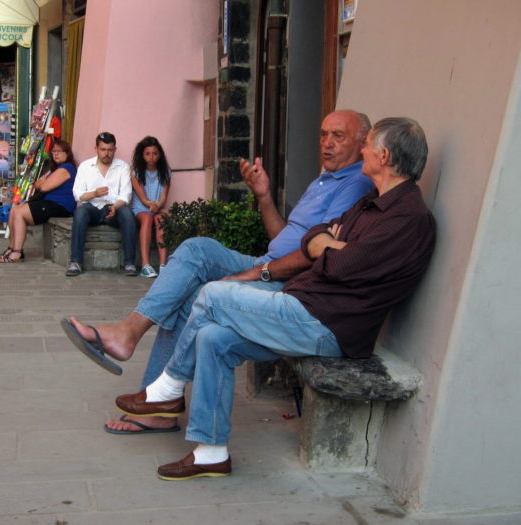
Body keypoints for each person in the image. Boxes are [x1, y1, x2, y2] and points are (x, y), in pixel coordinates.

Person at [111, 116, 437, 480]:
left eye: (366, 144)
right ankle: (210, 451)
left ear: (384, 154)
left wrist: (328, 247)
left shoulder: (407, 218)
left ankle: (167, 389)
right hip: (306, 306)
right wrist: (328, 243)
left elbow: (342, 264)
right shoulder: (374, 204)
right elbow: (315, 237)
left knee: (212, 295)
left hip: (327, 325)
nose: (362, 151)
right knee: (212, 338)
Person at [62, 109, 375, 433]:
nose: (327, 143)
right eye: (323, 134)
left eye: (338, 136)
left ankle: (154, 393)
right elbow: (283, 238)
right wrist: (264, 196)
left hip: (290, 281)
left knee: (193, 296)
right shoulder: (325, 178)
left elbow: (317, 257)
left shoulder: (355, 184)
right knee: (196, 248)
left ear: (362, 142)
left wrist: (259, 273)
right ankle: (131, 333)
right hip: (268, 261)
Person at [65, 132, 137, 277]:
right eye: (103, 150)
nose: (106, 154)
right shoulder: (85, 166)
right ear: (96, 149)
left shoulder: (122, 166)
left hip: (114, 208)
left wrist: (115, 207)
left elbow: (126, 195)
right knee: (80, 212)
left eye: (110, 150)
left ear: (115, 149)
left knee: (128, 215)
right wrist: (95, 194)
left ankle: (129, 263)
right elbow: (77, 194)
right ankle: (76, 262)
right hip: (92, 208)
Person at [0, 140, 77, 263]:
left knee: (19, 213)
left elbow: (43, 187)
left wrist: (44, 181)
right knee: (14, 210)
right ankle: (11, 248)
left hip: (60, 206)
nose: (56, 154)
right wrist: (45, 180)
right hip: (49, 203)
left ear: (67, 153)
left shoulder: (66, 168)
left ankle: (18, 252)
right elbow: (36, 184)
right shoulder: (55, 169)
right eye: (53, 151)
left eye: (59, 151)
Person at [130, 136, 171, 278]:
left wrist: (158, 205)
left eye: (154, 153)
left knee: (161, 219)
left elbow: (164, 195)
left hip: (157, 207)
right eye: (148, 154)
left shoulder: (165, 172)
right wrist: (150, 204)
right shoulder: (136, 172)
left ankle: (163, 265)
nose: (151, 157)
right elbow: (142, 197)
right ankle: (145, 265)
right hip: (141, 208)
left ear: (159, 155)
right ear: (142, 155)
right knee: (147, 218)